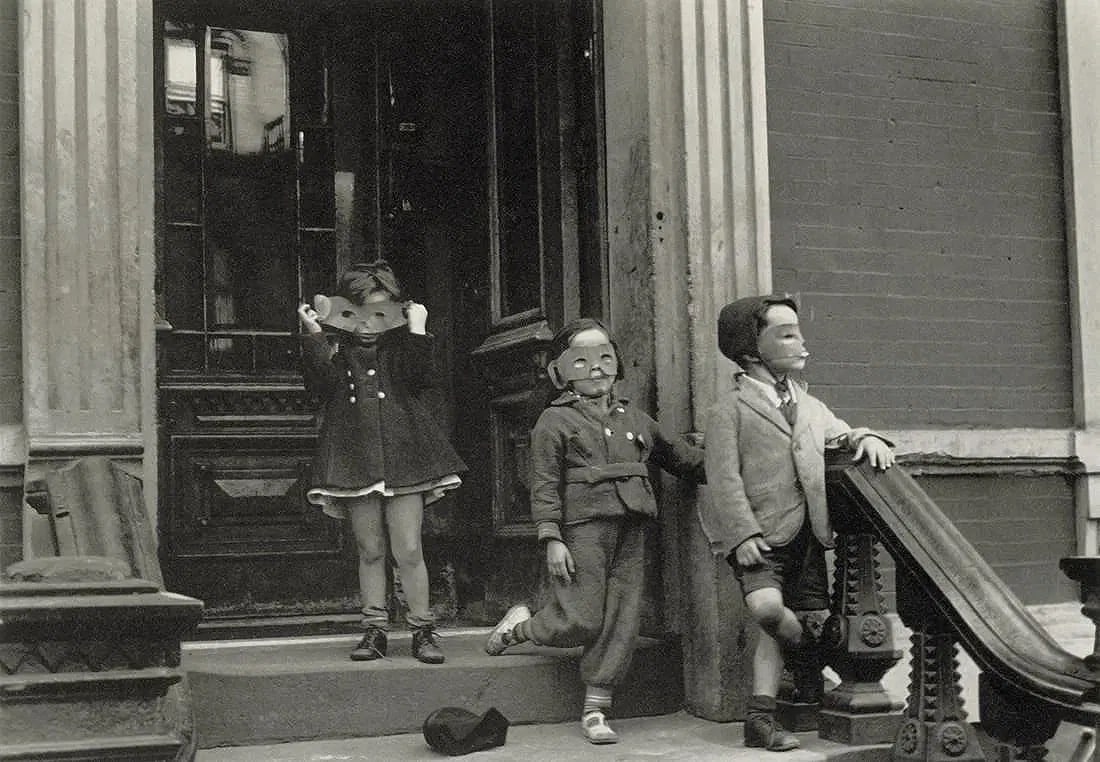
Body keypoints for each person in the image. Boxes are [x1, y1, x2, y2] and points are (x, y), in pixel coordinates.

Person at [484, 318, 705, 745]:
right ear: (562, 372)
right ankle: (521, 628)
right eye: (582, 361)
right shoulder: (554, 422)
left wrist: (736, 462)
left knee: (621, 619)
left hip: (632, 529)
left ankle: (596, 707)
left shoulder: (636, 419)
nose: (597, 368)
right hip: (583, 531)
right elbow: (544, 484)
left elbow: (683, 459)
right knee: (583, 618)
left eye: (604, 357)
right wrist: (551, 538)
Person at [698, 294, 895, 751]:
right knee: (768, 611)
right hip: (759, 537)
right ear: (752, 350)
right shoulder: (728, 409)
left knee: (790, 620)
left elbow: (837, 433)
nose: (801, 342)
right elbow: (723, 479)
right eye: (787, 334)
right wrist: (742, 534)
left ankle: (760, 720)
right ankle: (806, 659)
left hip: (807, 533)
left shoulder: (809, 404)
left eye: (799, 331)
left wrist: (865, 436)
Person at [297, 260, 466, 664]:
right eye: (359, 312)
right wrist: (316, 334)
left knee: (408, 548)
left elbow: (420, 380)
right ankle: (374, 630)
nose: (369, 324)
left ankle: (422, 629)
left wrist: (418, 329)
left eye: (380, 311)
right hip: (355, 458)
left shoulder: (402, 346)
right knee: (369, 548)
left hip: (405, 456)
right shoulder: (336, 349)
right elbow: (319, 387)